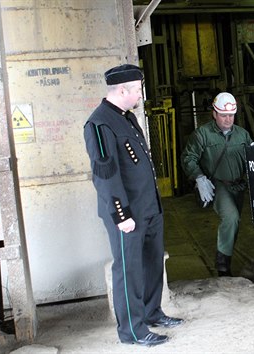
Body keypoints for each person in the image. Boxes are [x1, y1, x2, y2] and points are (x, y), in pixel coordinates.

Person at [83, 64, 183, 347]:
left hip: (148, 208)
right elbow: (106, 175)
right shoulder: (100, 123)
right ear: (123, 90)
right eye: (137, 90)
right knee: (129, 270)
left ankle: (152, 312)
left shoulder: (126, 118)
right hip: (128, 213)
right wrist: (121, 214)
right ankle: (133, 331)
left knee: (153, 263)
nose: (141, 94)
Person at [181, 92, 254, 277]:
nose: (228, 119)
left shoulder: (243, 135)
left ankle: (225, 254)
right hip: (218, 185)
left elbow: (252, 160)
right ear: (214, 114)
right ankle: (222, 265)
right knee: (231, 217)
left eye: (231, 115)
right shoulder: (203, 135)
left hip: (239, 186)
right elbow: (188, 158)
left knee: (235, 222)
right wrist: (199, 177)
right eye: (223, 115)